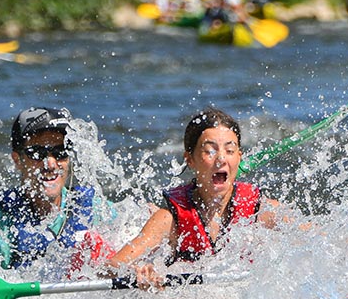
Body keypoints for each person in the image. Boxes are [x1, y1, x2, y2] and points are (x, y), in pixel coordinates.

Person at [106, 107, 281, 287]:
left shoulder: (262, 211)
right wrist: (137, 271)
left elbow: (310, 239)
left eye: (229, 151)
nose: (221, 159)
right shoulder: (169, 219)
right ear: (190, 159)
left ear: (239, 157)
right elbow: (112, 266)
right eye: (210, 151)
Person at [0, 106, 113, 274]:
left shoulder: (92, 207)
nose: (51, 164)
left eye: (60, 151)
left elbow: (134, 241)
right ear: (18, 160)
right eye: (37, 153)